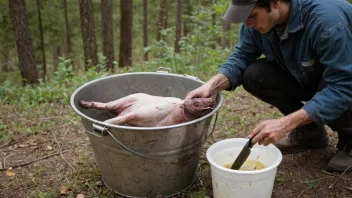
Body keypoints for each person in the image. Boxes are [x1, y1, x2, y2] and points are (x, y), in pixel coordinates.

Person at [185, 0, 352, 172]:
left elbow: (343, 85)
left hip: (344, 80)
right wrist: (211, 86)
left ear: (275, 3)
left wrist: (285, 124)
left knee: (335, 88)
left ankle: (350, 141)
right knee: (254, 75)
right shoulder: (261, 23)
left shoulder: (327, 23)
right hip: (310, 75)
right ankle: (309, 133)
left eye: (252, 16)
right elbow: (242, 55)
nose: (248, 25)